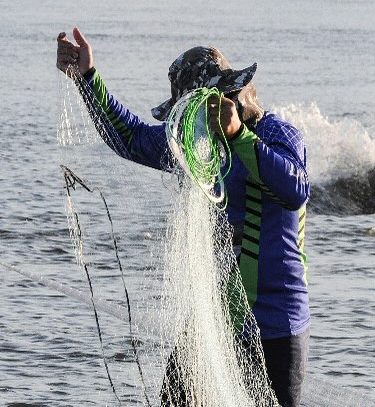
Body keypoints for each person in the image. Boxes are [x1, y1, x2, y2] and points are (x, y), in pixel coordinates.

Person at [56, 27, 310, 407]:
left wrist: (238, 134)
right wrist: (88, 79)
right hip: (212, 326)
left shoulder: (279, 135)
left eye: (196, 110)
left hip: (273, 327)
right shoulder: (196, 144)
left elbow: (294, 191)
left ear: (224, 96)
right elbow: (132, 139)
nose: (191, 121)